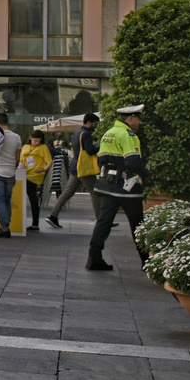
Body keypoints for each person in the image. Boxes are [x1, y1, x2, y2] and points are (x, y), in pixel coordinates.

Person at [87, 104, 148, 271]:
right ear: (131, 118)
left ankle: (94, 257)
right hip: (127, 187)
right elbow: (133, 161)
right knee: (137, 225)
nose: (140, 123)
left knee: (104, 222)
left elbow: (101, 159)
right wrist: (147, 174)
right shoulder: (128, 135)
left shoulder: (109, 133)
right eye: (139, 119)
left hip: (107, 184)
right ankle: (147, 262)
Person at [46, 113, 102, 228]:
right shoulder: (86, 134)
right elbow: (90, 150)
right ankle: (102, 220)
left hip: (75, 166)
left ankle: (53, 215)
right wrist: (100, 147)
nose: (95, 127)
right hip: (84, 167)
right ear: (89, 123)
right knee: (95, 192)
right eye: (95, 124)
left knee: (67, 192)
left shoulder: (77, 133)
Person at [0, 113, 23, 238]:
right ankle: (6, 226)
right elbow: (17, 158)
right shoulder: (17, 137)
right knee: (7, 200)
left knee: (0, 200)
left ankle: (5, 227)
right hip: (10, 172)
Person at [21, 130, 52, 230]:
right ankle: (30, 222)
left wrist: (45, 169)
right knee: (28, 197)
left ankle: (35, 223)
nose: (37, 143)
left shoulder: (43, 148)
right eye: (35, 141)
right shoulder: (25, 147)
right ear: (30, 138)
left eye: (39, 141)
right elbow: (22, 160)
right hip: (24, 173)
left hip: (35, 174)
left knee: (32, 197)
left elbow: (49, 161)